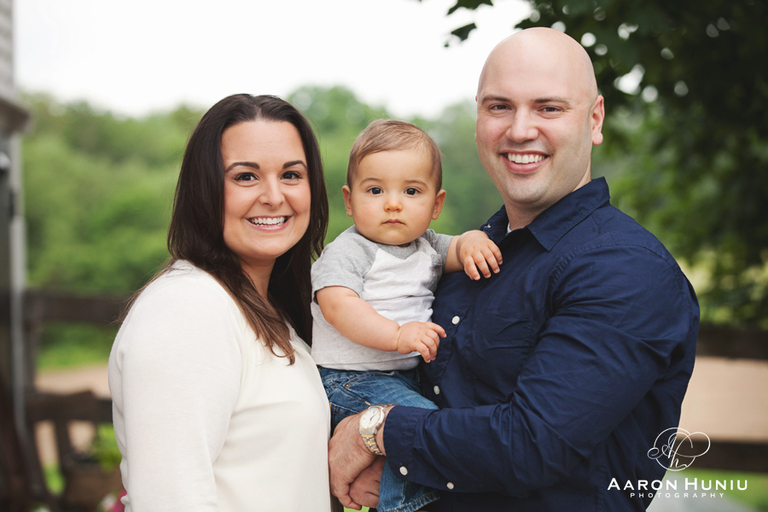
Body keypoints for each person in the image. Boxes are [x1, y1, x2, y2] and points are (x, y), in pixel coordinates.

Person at [328, 27, 699, 511]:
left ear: (595, 119)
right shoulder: (467, 252)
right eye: (499, 106)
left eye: (549, 107)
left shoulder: (625, 269)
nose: (520, 130)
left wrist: (373, 430)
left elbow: (531, 446)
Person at [108, 94, 334, 511]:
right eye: (246, 177)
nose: (273, 196)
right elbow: (171, 501)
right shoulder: (188, 307)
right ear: (204, 189)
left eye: (291, 174)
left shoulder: (270, 310)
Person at [311, 119, 501, 512]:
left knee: (425, 423)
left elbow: (458, 246)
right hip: (349, 379)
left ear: (436, 205)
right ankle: (401, 506)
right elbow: (338, 305)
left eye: (411, 191)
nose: (393, 203)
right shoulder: (350, 251)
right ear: (349, 201)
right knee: (419, 424)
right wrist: (397, 335)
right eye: (375, 190)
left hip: (398, 377)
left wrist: (473, 242)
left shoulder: (427, 246)